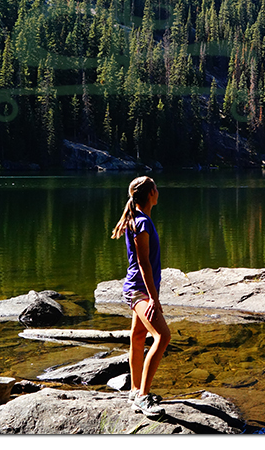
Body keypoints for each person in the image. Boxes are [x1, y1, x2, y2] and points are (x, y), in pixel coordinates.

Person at [111, 176, 171, 417]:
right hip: (138, 291)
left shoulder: (139, 219)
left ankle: (135, 389)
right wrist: (154, 299)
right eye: (156, 187)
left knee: (137, 336)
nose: (158, 191)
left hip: (139, 289)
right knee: (163, 337)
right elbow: (144, 263)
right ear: (149, 194)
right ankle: (143, 397)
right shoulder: (142, 223)